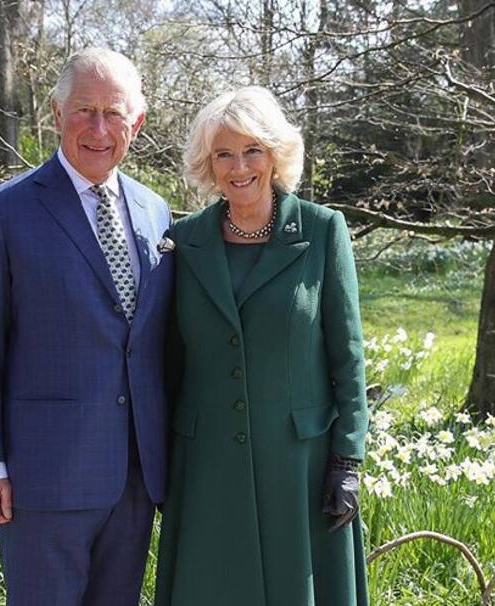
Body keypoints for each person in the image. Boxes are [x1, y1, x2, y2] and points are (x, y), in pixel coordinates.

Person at [0, 47, 174, 606]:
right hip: (44, 478)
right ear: (55, 114)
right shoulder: (3, 212)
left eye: (114, 113)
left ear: (137, 122)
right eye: (84, 110)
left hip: (134, 477)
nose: (99, 128)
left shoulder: (157, 212)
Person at [154, 86, 369, 606]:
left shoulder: (321, 230)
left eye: (252, 150)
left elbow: (348, 356)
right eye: (223, 154)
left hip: (300, 464)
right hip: (206, 465)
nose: (239, 166)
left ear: (275, 154)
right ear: (208, 164)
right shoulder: (184, 241)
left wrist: (348, 460)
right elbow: (167, 362)